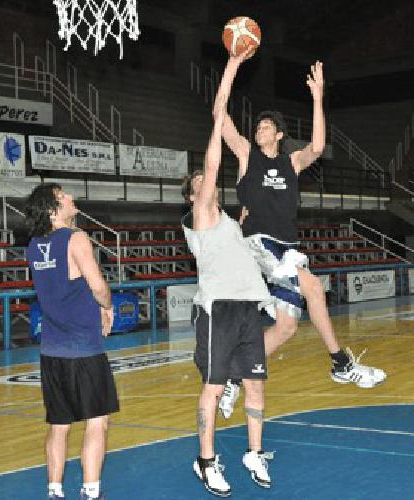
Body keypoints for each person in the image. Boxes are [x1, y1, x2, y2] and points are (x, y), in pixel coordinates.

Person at [217, 54, 386, 417]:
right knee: (311, 286)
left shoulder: (291, 162)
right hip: (257, 243)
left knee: (287, 327)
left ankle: (233, 373)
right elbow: (221, 116)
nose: (259, 128)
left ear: (278, 135)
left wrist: (317, 96)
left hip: (286, 247)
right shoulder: (247, 154)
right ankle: (340, 362)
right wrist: (232, 65)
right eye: (258, 125)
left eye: (266, 126)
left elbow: (318, 147)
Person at [182, 48, 274, 497]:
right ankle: (205, 461)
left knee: (255, 386)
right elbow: (214, 160)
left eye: (206, 179)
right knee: (214, 389)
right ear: (192, 196)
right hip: (218, 310)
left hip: (248, 309)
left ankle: (254, 452)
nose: (206, 179)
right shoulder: (200, 216)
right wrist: (233, 69)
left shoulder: (230, 222)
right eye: (198, 180)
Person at [24, 183, 119, 500]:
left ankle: (54, 490)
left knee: (59, 425)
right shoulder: (76, 238)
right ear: (53, 208)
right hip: (83, 348)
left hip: (51, 349)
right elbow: (97, 285)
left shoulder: (33, 245)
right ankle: (91, 492)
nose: (71, 197)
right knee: (96, 423)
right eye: (64, 195)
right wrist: (107, 307)